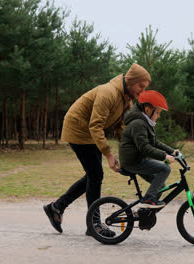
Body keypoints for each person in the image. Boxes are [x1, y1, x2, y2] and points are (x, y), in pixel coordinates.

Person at [43, 64, 151, 236]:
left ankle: (56, 207)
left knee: (92, 175)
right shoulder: (108, 92)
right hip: (78, 129)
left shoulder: (125, 99)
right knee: (95, 175)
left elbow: (121, 127)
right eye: (141, 87)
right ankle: (94, 225)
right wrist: (108, 154)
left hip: (89, 132)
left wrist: (130, 150)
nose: (142, 91)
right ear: (131, 81)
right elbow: (96, 126)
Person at [118, 90, 178, 209]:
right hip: (133, 162)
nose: (159, 116)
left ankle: (145, 214)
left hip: (137, 160)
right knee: (165, 168)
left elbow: (154, 142)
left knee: (160, 185)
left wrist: (172, 151)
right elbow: (145, 148)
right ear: (148, 110)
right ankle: (149, 200)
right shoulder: (138, 124)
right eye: (158, 112)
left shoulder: (145, 122)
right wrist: (164, 156)